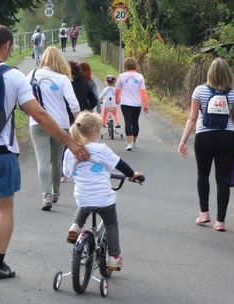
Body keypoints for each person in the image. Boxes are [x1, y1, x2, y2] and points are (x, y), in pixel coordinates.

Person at [0, 25, 89, 290]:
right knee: (4, 207)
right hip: (2, 153)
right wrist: (69, 140)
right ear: (8, 46)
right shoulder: (14, 77)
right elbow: (40, 115)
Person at [63, 112, 143, 268]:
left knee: (84, 205)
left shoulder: (70, 151)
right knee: (111, 224)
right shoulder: (101, 149)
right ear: (94, 131)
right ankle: (114, 257)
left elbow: (66, 173)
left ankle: (75, 227)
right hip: (104, 198)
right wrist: (133, 175)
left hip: (82, 196)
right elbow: (120, 165)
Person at [177, 57, 234, 232]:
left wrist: (183, 140)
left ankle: (204, 214)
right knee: (223, 179)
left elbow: (192, 117)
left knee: (203, 175)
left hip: (204, 138)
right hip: (227, 138)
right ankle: (220, 221)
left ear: (210, 73)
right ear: (228, 73)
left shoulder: (199, 91)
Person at [26, 46, 81, 211]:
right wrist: (78, 123)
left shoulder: (32, 74)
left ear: (43, 59)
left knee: (42, 159)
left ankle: (46, 195)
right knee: (55, 161)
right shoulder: (62, 79)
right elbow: (73, 104)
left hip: (37, 123)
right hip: (60, 124)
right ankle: (56, 192)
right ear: (59, 60)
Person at [116, 57, 148, 151]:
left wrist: (117, 100)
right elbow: (143, 92)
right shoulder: (140, 77)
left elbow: (117, 90)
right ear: (135, 65)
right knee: (135, 122)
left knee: (128, 122)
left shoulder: (121, 76)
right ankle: (134, 141)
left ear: (125, 65)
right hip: (136, 104)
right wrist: (145, 104)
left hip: (125, 103)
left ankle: (129, 143)